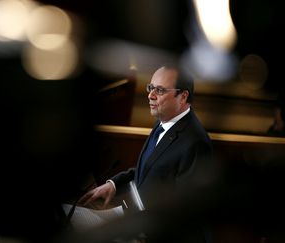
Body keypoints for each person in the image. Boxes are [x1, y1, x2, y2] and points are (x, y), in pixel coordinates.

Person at [76, 65, 215, 243]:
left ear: (183, 96)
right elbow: (151, 170)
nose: (150, 95)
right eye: (151, 88)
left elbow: (186, 214)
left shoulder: (195, 142)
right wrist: (114, 185)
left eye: (160, 90)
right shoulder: (165, 121)